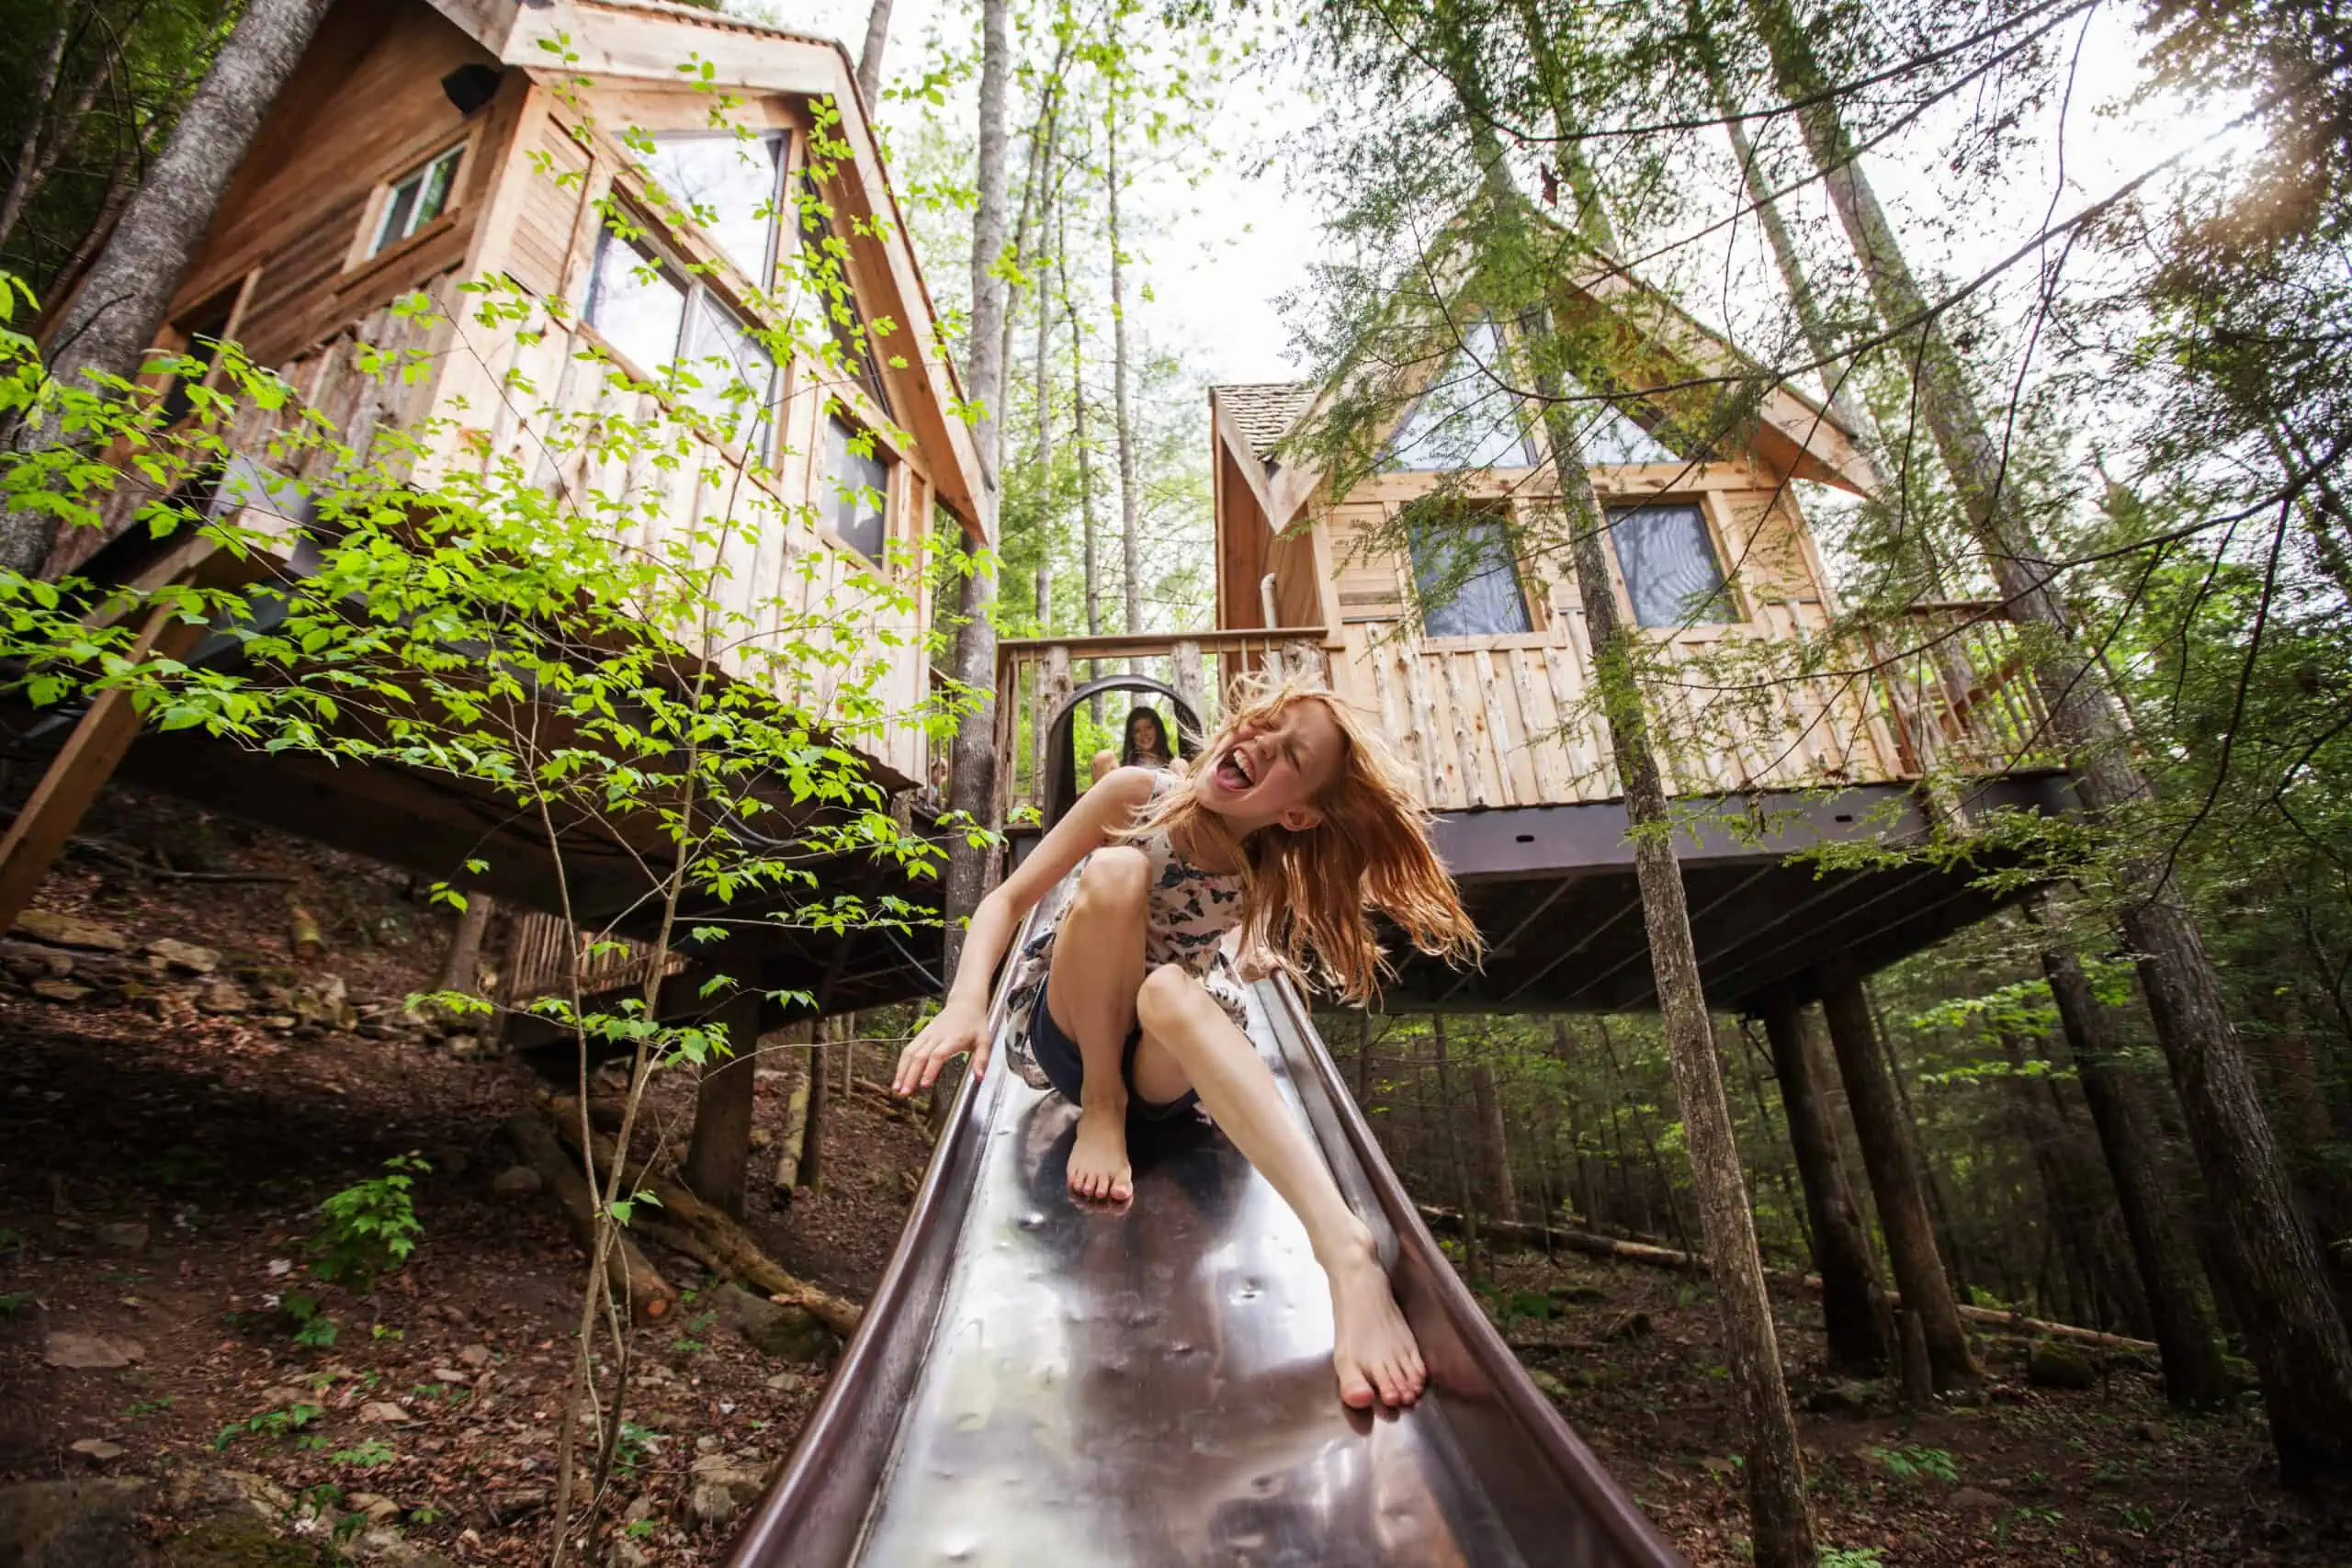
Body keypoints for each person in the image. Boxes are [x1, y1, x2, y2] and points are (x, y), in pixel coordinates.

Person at [893, 678, 1480, 1409]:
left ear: (1295, 812)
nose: (1259, 740)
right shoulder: (1137, 793)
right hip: (1079, 1034)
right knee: (1118, 869)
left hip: (1161, 1065)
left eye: (1290, 753)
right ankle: (1104, 1105)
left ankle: (1344, 1249)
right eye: (1262, 722)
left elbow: (1242, 947)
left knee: (1172, 989)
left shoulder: (1261, 871)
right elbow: (1006, 900)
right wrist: (963, 1001)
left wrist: (1259, 957)